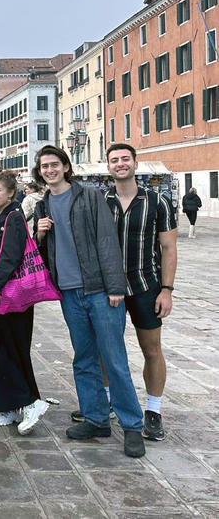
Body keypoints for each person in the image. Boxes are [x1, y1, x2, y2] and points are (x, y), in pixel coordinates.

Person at [33, 145, 145, 458]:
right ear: (40, 172)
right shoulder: (42, 205)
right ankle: (96, 418)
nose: (50, 170)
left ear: (66, 167)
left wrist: (114, 287)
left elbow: (107, 241)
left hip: (99, 290)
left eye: (55, 164)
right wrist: (39, 235)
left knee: (114, 359)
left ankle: (132, 425)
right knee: (83, 358)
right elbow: (42, 257)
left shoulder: (89, 196)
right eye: (44, 167)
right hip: (69, 293)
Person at [105, 144, 177, 441]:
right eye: (114, 160)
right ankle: (108, 400)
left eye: (125, 159)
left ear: (135, 163)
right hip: (109, 287)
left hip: (146, 285)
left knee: (151, 349)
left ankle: (154, 410)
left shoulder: (158, 201)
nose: (120, 164)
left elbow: (169, 249)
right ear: (108, 166)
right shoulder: (100, 201)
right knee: (106, 349)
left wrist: (167, 290)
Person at [0, 171, 48, 434]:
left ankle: (30, 402)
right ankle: (8, 406)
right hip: (0, 294)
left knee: (5, 349)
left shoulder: (14, 218)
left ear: (11, 192)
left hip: (7, 295)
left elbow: (10, 256)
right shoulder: (0, 216)